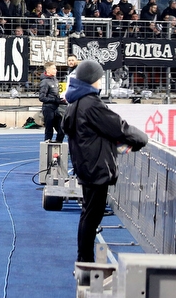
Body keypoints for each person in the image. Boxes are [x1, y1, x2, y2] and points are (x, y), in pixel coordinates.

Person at [62, 60, 148, 266]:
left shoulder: (75, 102)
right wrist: (142, 139)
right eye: (99, 77)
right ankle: (85, 259)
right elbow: (118, 127)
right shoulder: (91, 103)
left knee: (89, 214)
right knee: (92, 215)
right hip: (95, 167)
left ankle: (84, 257)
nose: (101, 81)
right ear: (92, 80)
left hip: (86, 165)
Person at [38, 61, 65, 142]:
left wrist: (60, 100)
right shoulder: (45, 82)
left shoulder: (55, 80)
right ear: (48, 70)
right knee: (49, 130)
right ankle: (47, 149)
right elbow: (42, 97)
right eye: (54, 68)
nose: (56, 70)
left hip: (56, 109)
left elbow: (55, 95)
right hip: (48, 109)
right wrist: (55, 100)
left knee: (61, 130)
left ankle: (58, 146)